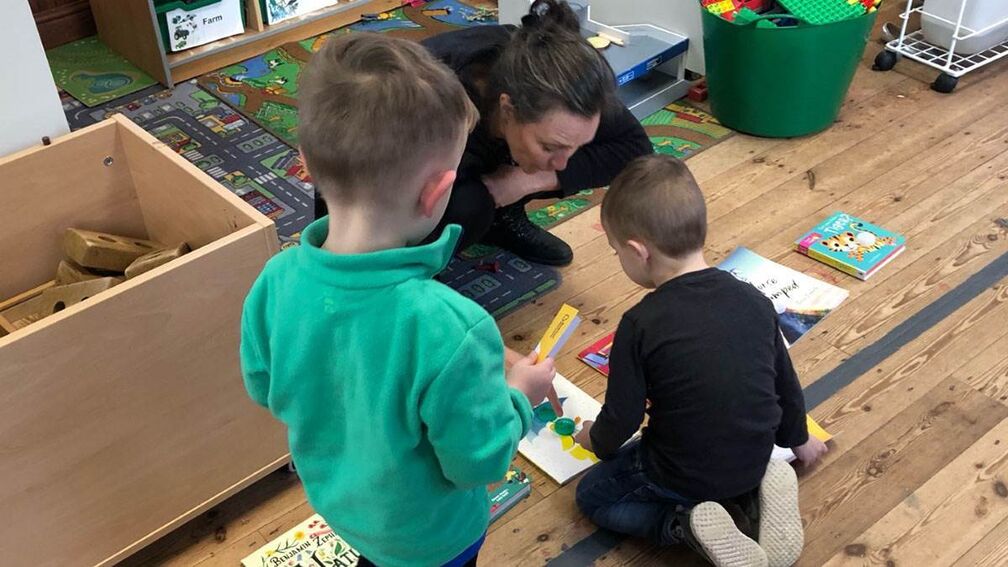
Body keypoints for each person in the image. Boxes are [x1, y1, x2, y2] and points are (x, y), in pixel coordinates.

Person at [241, 34, 556, 567]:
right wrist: (520, 396)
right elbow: (477, 463)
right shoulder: (452, 327)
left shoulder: (275, 278)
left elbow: (264, 387)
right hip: (432, 541)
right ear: (437, 193)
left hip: (342, 507)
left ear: (305, 164)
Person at [572, 155, 828, 567]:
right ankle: (756, 496)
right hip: (753, 457)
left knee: (594, 497)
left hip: (681, 473)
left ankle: (681, 525)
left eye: (615, 251)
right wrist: (798, 438)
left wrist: (592, 439)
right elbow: (785, 382)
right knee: (722, 450)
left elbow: (622, 417)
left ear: (638, 251)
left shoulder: (639, 324)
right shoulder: (754, 300)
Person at [316, 0, 653, 266]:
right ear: (508, 108)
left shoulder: (565, 89)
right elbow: (366, 195)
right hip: (372, 187)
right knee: (471, 206)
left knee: (524, 171)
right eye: (551, 146)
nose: (564, 163)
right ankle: (417, 263)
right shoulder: (439, 109)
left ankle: (500, 217)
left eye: (577, 146)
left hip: (468, 156)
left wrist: (528, 181)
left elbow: (635, 148)